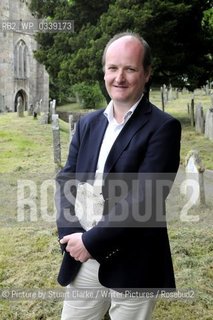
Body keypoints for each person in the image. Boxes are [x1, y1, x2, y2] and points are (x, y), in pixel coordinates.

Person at [55, 32, 181, 320]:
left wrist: (91, 242)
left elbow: (145, 197)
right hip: (82, 252)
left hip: (134, 258)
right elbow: (66, 181)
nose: (119, 77)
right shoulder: (87, 123)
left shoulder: (164, 128)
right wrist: (69, 236)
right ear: (104, 72)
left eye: (130, 68)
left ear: (147, 74)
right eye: (113, 68)